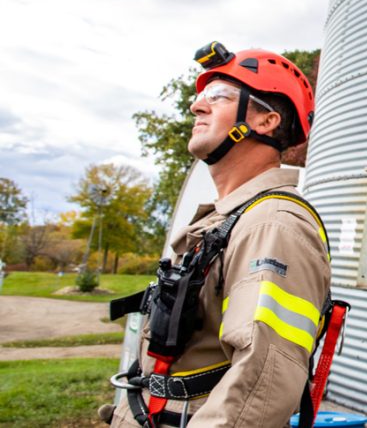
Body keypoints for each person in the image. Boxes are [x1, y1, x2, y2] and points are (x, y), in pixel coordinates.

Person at [105, 41, 332, 427]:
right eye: (202, 97)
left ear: (265, 121)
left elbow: (264, 381)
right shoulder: (227, 221)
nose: (197, 106)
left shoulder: (273, 225)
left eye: (220, 95)